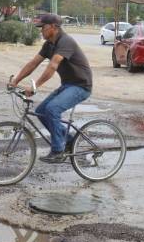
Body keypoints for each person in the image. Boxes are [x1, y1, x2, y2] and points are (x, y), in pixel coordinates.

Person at [10, 14, 92, 163]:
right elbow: (33, 63)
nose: (41, 30)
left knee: (52, 109)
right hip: (67, 85)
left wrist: (35, 86)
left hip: (81, 85)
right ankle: (69, 140)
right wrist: (16, 81)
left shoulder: (65, 42)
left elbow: (53, 65)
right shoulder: (49, 45)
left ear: (54, 27)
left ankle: (58, 150)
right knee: (41, 111)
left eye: (43, 27)